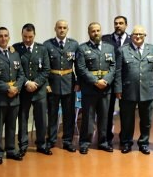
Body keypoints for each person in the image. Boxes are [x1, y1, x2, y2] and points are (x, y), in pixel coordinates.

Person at [75, 23, 119, 154]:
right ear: (89, 33)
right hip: (90, 88)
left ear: (101, 31)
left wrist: (106, 80)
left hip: (106, 88)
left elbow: (113, 67)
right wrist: (95, 81)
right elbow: (81, 69)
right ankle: (85, 142)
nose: (96, 33)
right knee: (88, 117)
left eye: (98, 30)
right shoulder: (82, 48)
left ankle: (103, 142)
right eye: (93, 31)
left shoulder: (109, 48)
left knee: (104, 117)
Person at [0, 27, 26, 164]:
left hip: (14, 97)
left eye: (6, 36)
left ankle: (11, 150)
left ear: (9, 38)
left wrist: (17, 88)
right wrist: (8, 88)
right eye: (0, 36)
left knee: (12, 126)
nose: (3, 38)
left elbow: (21, 74)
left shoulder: (14, 54)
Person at [114, 26, 153, 154]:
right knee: (127, 119)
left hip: (147, 90)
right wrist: (118, 89)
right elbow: (118, 71)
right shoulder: (123, 50)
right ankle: (126, 142)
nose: (138, 36)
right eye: (135, 34)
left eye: (140, 34)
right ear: (131, 36)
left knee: (146, 120)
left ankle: (144, 143)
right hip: (127, 91)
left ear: (145, 35)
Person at [12, 23, 51, 156]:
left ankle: (41, 144)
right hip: (24, 90)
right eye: (25, 36)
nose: (27, 39)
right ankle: (23, 145)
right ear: (21, 35)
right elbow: (17, 69)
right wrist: (27, 82)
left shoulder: (42, 49)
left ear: (34, 35)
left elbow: (46, 70)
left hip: (39, 90)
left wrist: (36, 83)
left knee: (41, 118)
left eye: (30, 36)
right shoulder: (16, 49)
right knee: (22, 118)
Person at [43, 20, 79, 153]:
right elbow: (45, 68)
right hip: (52, 84)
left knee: (68, 114)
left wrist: (78, 82)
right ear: (55, 29)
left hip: (69, 83)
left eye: (64, 28)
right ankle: (51, 140)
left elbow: (78, 65)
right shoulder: (47, 45)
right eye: (59, 27)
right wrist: (46, 84)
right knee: (52, 114)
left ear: (67, 29)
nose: (62, 30)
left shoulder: (74, 44)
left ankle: (67, 141)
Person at [102, 16, 132, 147]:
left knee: (126, 113)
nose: (118, 25)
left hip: (126, 82)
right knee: (107, 112)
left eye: (121, 23)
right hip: (109, 81)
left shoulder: (133, 40)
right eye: (116, 23)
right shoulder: (105, 39)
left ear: (126, 25)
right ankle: (107, 138)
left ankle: (125, 139)